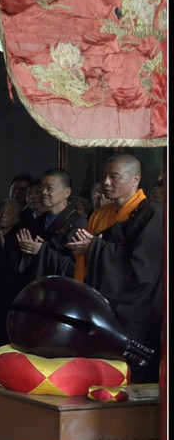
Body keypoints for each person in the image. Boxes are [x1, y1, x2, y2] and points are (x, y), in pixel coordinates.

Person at [66, 153, 163, 383]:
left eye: (114, 176)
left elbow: (142, 268)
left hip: (135, 313)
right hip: (105, 308)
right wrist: (90, 249)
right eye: (103, 176)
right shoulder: (102, 213)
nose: (106, 182)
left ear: (135, 179)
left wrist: (95, 248)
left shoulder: (152, 213)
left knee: (130, 374)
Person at [16, 168, 88, 279]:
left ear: (67, 192)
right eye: (41, 187)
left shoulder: (78, 223)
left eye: (49, 188)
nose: (44, 192)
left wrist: (42, 251)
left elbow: (75, 268)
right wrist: (28, 253)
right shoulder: (40, 220)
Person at [0, 198, 28, 348]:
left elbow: (14, 270)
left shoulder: (18, 237)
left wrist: (0, 248)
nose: (3, 215)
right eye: (1, 211)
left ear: (16, 218)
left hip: (7, 292)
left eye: (8, 213)